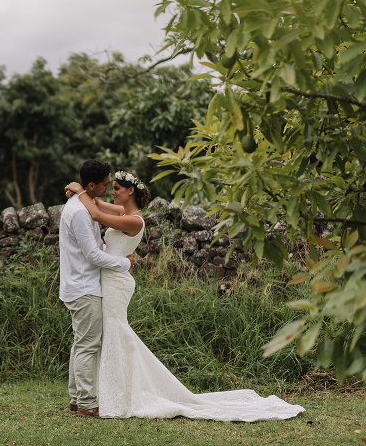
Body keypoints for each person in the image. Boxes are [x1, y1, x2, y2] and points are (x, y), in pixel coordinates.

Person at [64, 171, 305, 421]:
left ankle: (116, 393)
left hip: (116, 282)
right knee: (110, 335)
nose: (112, 192)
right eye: (110, 187)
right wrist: (79, 191)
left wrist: (80, 191)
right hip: (110, 278)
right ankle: (97, 394)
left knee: (115, 332)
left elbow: (95, 213)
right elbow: (96, 204)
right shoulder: (122, 212)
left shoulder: (135, 220)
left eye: (116, 188)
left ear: (130, 191)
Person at [59, 159, 135, 419]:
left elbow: (95, 247)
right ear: (91, 185)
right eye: (105, 185)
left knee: (81, 343)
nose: (107, 189)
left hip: (82, 284)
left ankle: (76, 398)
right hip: (83, 288)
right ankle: (87, 404)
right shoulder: (80, 211)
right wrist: (124, 263)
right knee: (88, 346)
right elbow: (93, 255)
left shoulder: (83, 203)